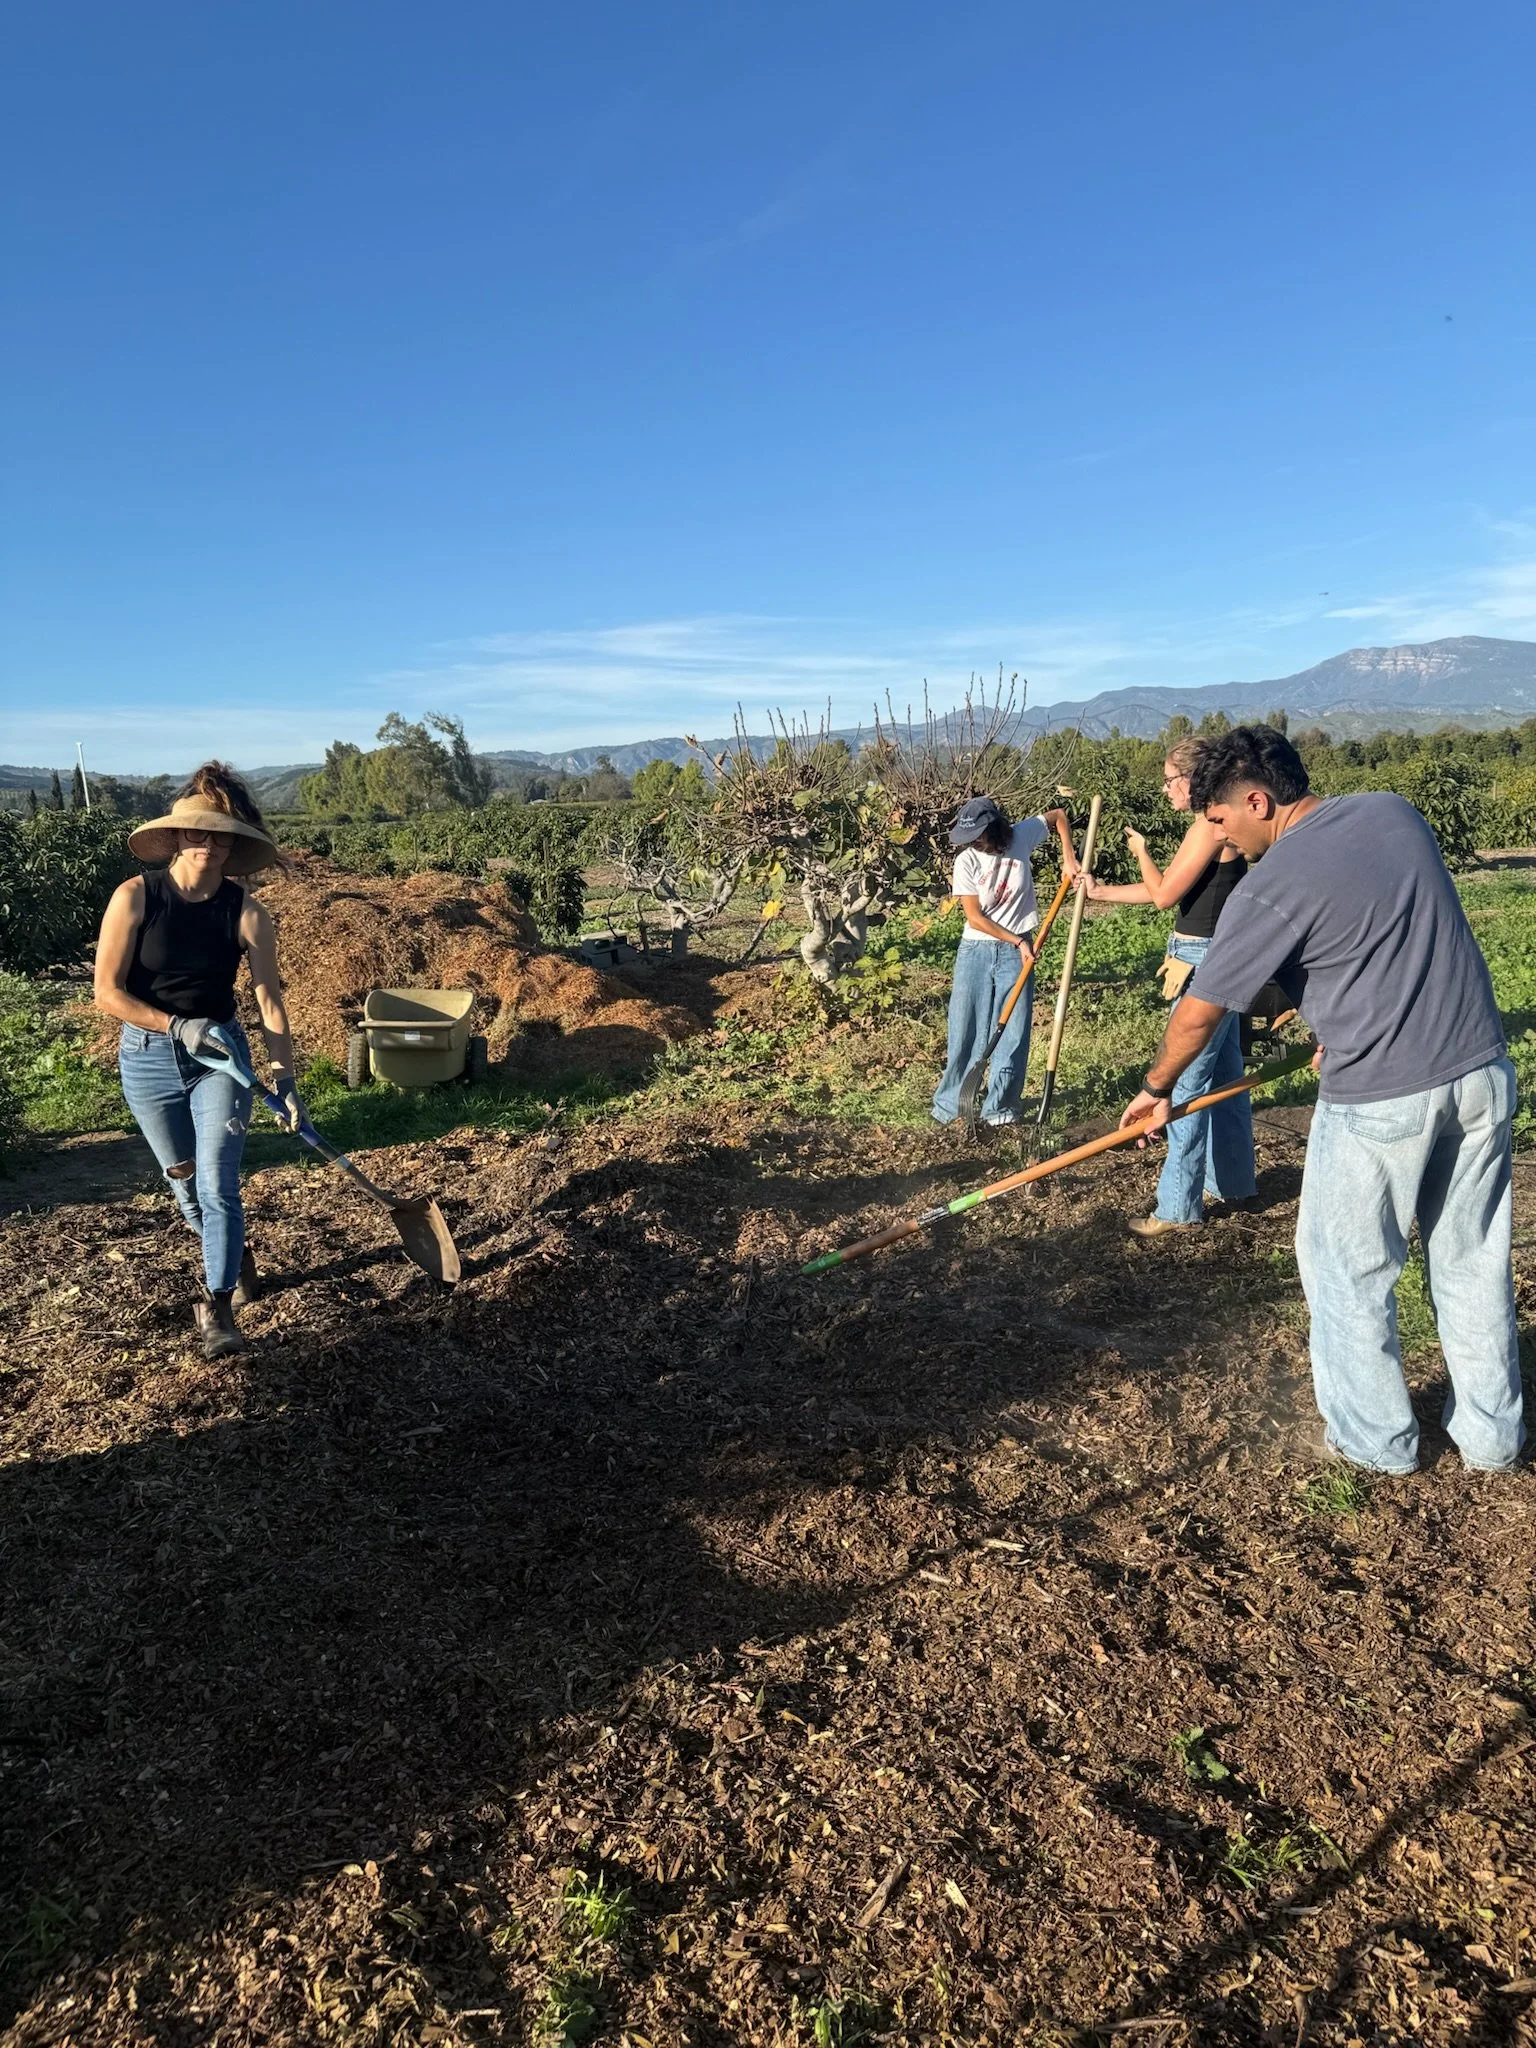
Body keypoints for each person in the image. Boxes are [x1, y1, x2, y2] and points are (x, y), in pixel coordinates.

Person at [1118, 725, 1522, 1475]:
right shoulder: (1394, 811)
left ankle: (1377, 1444)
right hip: (1481, 1070)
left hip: (1381, 1098)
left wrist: (1155, 1089)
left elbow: (1200, 1012)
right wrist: (1336, 1015)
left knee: (1346, 1268)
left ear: (1257, 800)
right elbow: (1383, 932)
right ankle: (1494, 1439)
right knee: (1470, 1260)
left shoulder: (1271, 884)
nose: (1218, 838)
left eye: (1218, 819)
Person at [94, 764, 304, 1360]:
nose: (207, 843)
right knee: (185, 1186)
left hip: (219, 1059)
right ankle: (234, 1253)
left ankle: (215, 1305)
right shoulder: (136, 896)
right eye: (196, 832)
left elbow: (269, 999)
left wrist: (285, 1080)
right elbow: (106, 992)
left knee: (218, 1183)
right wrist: (172, 1024)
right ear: (177, 836)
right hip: (149, 1058)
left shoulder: (247, 911)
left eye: (220, 834)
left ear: (234, 844)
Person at [1079, 737, 1258, 1235]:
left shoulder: (1207, 826)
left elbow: (1161, 895)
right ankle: (1235, 1184)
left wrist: (1139, 851)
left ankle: (1177, 1209)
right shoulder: (1214, 826)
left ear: (1192, 779)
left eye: (1168, 780)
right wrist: (1101, 892)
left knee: (1185, 1084)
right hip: (1215, 955)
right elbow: (1181, 895)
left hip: (1204, 964)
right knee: (1225, 1080)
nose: (1165, 790)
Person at [932, 795, 1079, 1127]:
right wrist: (1016, 941)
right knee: (965, 1029)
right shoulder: (966, 861)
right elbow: (975, 917)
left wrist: (1068, 857)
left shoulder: (1020, 836)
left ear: (994, 827)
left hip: (1017, 953)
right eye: (968, 838)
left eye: (979, 836)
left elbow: (1057, 815)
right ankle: (950, 1107)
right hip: (977, 951)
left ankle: (999, 1109)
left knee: (1013, 1032)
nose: (974, 844)